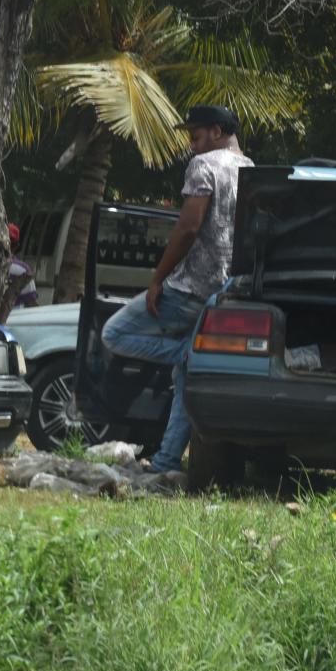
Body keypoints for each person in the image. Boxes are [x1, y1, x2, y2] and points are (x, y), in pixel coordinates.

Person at [100, 105, 252, 473]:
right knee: (185, 380)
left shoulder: (204, 166)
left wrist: (157, 279)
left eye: (195, 136)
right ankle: (167, 461)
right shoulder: (250, 168)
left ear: (216, 131)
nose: (191, 145)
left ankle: (186, 353)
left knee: (113, 333)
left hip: (189, 289)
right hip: (225, 294)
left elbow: (187, 228)